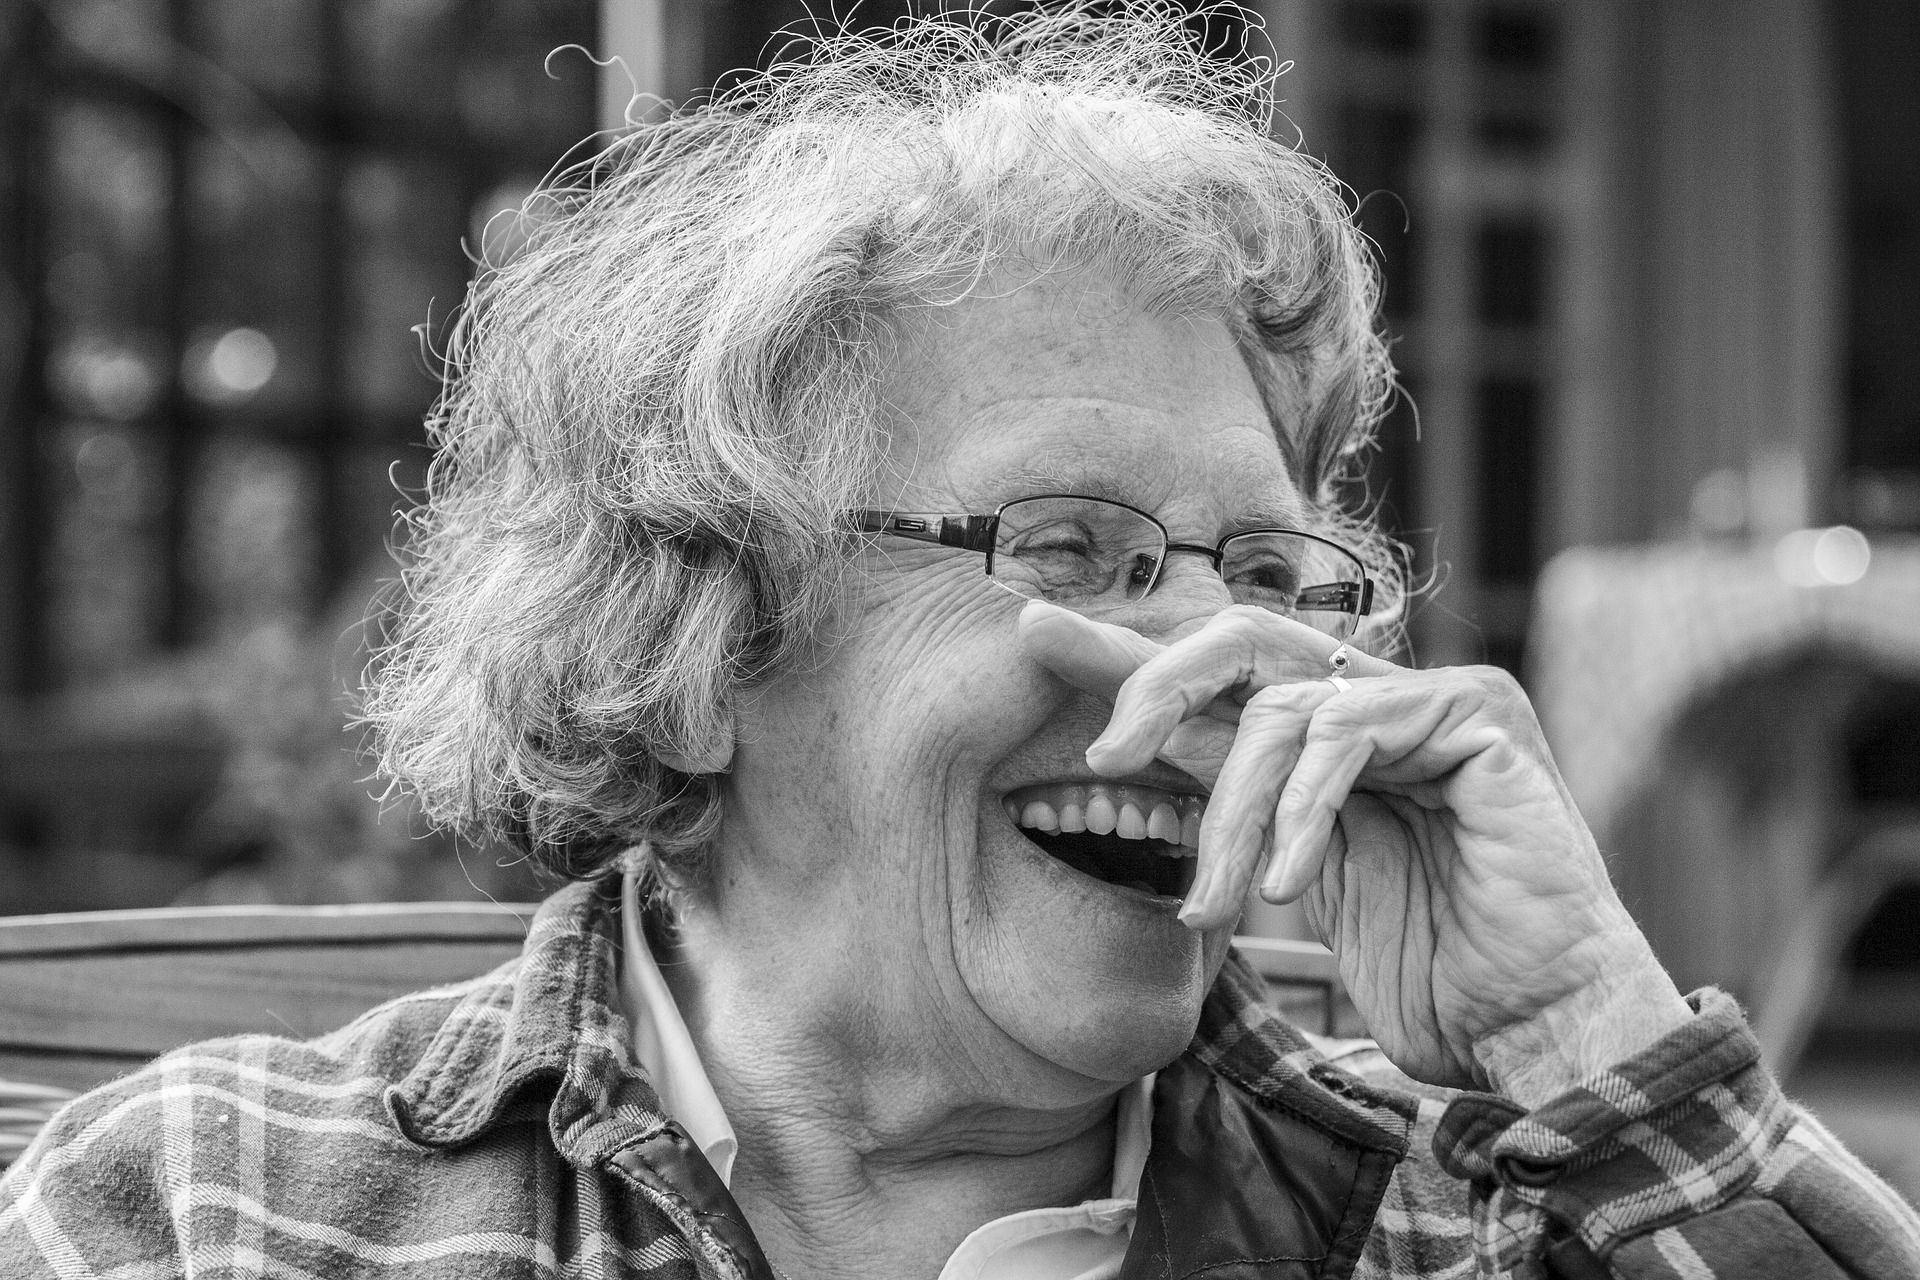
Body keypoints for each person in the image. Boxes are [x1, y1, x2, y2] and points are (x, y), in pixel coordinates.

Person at [5, 8, 1917, 1279]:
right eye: (1066, 543)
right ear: (699, 626)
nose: (1212, 650)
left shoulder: (1467, 1223)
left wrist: (1590, 1032)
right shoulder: (206, 1206)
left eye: (1267, 558)